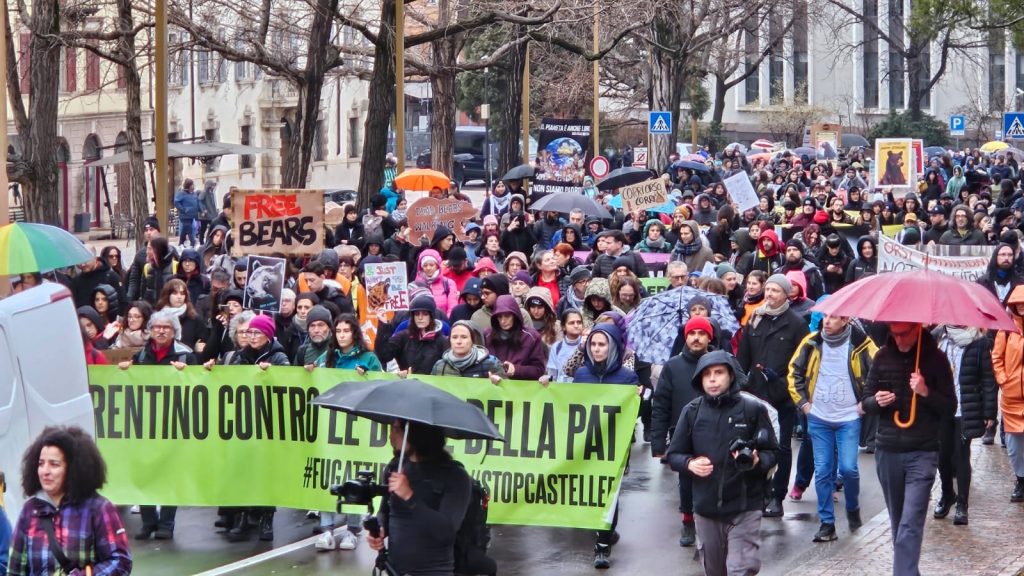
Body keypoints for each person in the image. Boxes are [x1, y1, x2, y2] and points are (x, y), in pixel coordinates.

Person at [667, 350, 780, 576]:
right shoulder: (691, 412)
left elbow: (773, 453)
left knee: (741, 569)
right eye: (707, 374)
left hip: (745, 506)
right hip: (706, 508)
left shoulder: (753, 409)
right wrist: (689, 463)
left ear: (730, 376)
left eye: (718, 373)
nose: (712, 379)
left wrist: (758, 460)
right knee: (714, 571)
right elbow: (674, 455)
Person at [862, 321, 955, 576]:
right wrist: (876, 401)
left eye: (905, 334)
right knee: (898, 524)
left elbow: (949, 408)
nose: (900, 340)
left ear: (918, 329)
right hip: (888, 451)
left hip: (922, 452)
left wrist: (925, 391)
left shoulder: (936, 359)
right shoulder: (882, 356)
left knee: (910, 522)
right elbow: (866, 402)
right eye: (895, 334)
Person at [788, 315, 877, 542]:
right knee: (823, 469)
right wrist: (804, 405)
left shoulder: (862, 343)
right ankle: (827, 523)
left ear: (845, 320)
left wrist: (865, 403)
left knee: (848, 468)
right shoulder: (811, 341)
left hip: (849, 417)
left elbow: (878, 374)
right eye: (826, 316)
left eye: (834, 317)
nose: (827, 321)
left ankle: (853, 508)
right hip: (818, 417)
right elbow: (794, 372)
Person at [7, 426, 132, 575]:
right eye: (41, 464)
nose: (45, 471)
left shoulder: (99, 509)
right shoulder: (30, 510)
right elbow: (15, 569)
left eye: (54, 464)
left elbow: (120, 561)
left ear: (73, 468)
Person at [118, 309, 198, 540]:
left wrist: (188, 374)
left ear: (174, 331)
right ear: (150, 330)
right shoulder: (141, 357)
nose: (161, 331)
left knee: (170, 472)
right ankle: (148, 522)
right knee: (144, 472)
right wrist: (125, 371)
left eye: (166, 328)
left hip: (174, 425)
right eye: (156, 327)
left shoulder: (185, 356)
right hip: (144, 425)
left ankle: (167, 524)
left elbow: (200, 384)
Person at [737, 273, 809, 518]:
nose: (769, 294)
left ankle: (778, 496)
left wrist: (787, 386)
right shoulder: (755, 319)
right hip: (755, 394)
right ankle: (759, 493)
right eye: (767, 289)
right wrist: (741, 385)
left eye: (775, 290)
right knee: (754, 443)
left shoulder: (796, 324)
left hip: (782, 396)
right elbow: (742, 359)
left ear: (786, 294)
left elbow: (801, 363)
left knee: (781, 447)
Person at [366, 420, 473, 576]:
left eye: (396, 429)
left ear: (417, 434)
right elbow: (385, 511)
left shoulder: (454, 476)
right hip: (394, 570)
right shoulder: (395, 468)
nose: (391, 436)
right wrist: (380, 529)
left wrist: (410, 497)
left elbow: (446, 532)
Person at [573, 322, 639, 568]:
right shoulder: (581, 375)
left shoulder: (627, 376)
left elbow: (635, 414)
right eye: (593, 344)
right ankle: (605, 532)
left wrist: (639, 399)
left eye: (602, 344)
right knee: (590, 491)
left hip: (614, 446)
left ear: (613, 347)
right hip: (587, 444)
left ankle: (602, 546)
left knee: (609, 494)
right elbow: (568, 408)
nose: (597, 349)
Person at [651, 316, 714, 547]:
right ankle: (688, 521)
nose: (696, 338)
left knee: (714, 478)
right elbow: (661, 404)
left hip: (715, 432)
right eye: (691, 333)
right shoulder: (673, 366)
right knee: (686, 482)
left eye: (701, 333)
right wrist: (659, 442)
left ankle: (712, 523)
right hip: (683, 434)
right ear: (685, 337)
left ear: (709, 337)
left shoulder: (720, 363)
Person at [932, 324, 996, 526]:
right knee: (942, 457)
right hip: (941, 407)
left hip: (964, 407)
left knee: (961, 454)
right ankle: (947, 494)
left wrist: (989, 412)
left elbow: (988, 379)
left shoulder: (979, 343)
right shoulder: (936, 338)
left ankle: (962, 504)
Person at [991, 285, 1024, 503]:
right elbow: (997, 357)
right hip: (1012, 396)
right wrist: (1004, 380)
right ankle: (1021, 479)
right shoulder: (1006, 330)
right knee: (1014, 444)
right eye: (1019, 303)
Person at [379, 295, 450, 377]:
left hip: (431, 387)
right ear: (412, 316)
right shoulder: (404, 337)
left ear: (431, 316)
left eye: (425, 314)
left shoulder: (442, 341)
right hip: (408, 386)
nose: (420, 317)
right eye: (417, 314)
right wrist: (383, 325)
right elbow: (384, 355)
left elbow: (449, 368)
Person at [485, 295, 547, 381]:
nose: (503, 321)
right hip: (494, 388)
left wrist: (516, 370)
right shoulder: (487, 335)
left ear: (515, 316)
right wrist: (489, 374)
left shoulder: (531, 337)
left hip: (521, 389)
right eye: (499, 317)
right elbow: (481, 365)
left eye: (507, 316)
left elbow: (539, 370)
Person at [432, 321, 505, 381]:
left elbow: (507, 392)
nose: (459, 341)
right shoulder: (439, 366)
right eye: (454, 337)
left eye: (464, 337)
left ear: (472, 340)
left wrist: (498, 384)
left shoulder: (491, 363)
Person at [173, 178, 200, 248]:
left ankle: (180, 243)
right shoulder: (181, 193)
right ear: (189, 185)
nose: (193, 186)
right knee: (189, 229)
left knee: (184, 230)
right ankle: (193, 243)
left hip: (192, 215)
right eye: (192, 185)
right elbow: (176, 202)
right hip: (185, 216)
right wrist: (183, 209)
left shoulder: (193, 193)